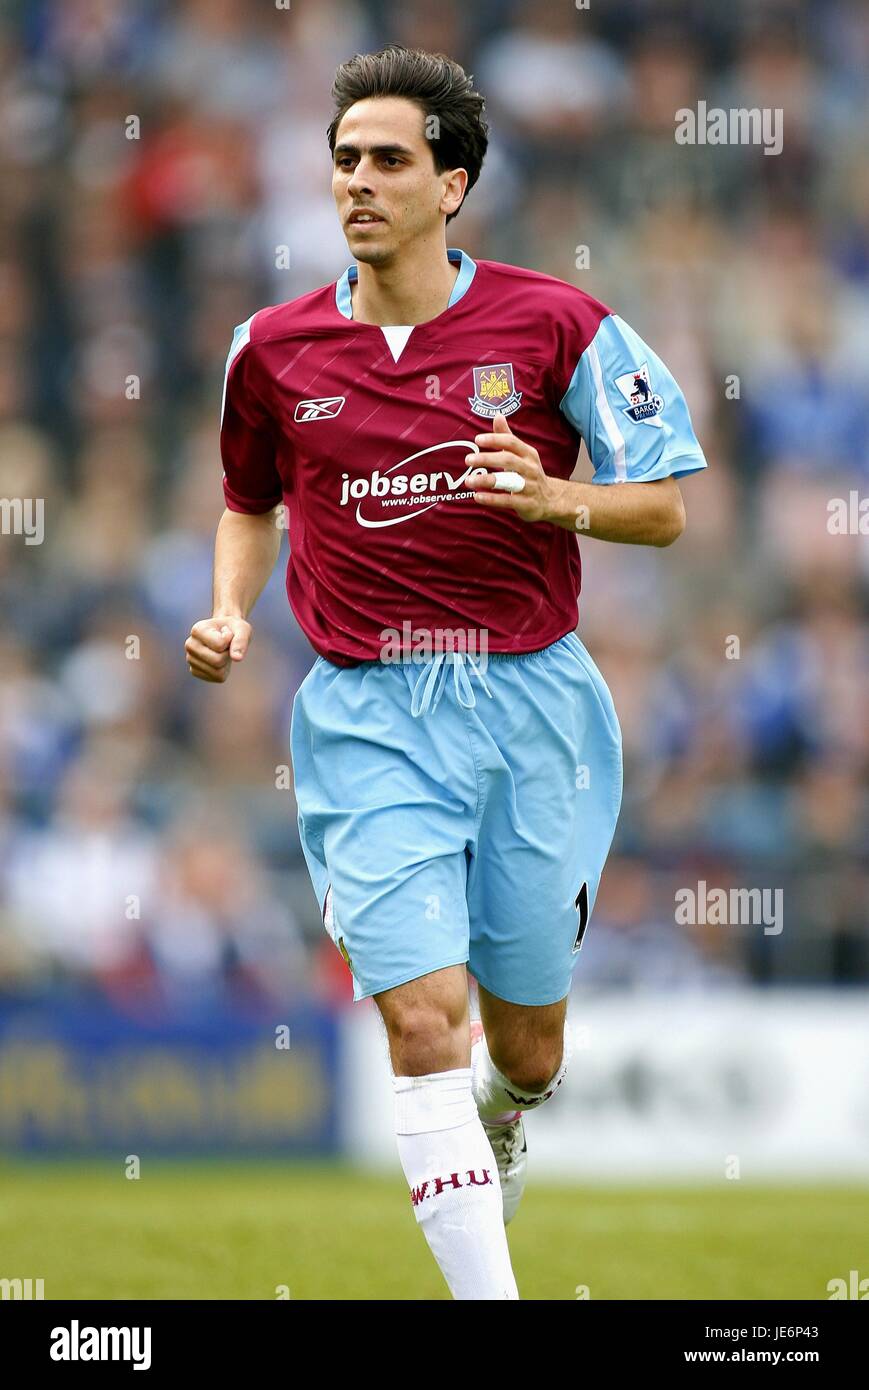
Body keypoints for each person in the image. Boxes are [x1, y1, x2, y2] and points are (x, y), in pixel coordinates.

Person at [185, 45, 706, 1300]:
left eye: (387, 162)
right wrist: (225, 609)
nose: (356, 182)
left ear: (451, 184)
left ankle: (509, 1109)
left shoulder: (556, 322)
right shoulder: (271, 350)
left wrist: (555, 498)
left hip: (534, 704)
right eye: (344, 161)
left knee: (522, 1043)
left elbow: (665, 510)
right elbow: (248, 504)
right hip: (367, 713)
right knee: (424, 1022)